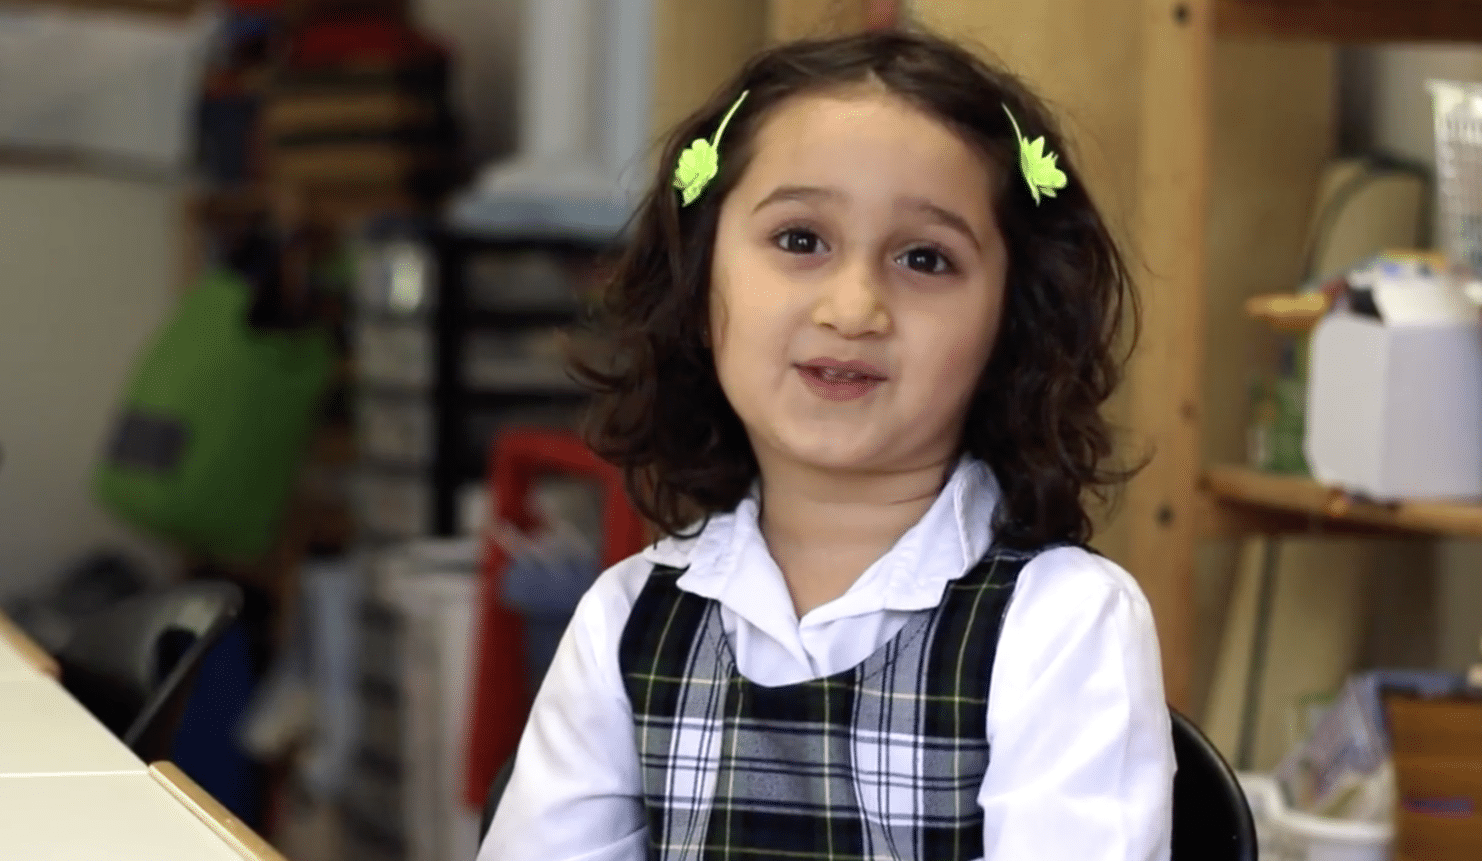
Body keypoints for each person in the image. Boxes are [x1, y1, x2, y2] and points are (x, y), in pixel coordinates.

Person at [478, 26, 1174, 861]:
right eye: (801, 240)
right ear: (700, 282)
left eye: (925, 257)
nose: (853, 307)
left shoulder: (1063, 623)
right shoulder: (624, 621)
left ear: (1012, 320)